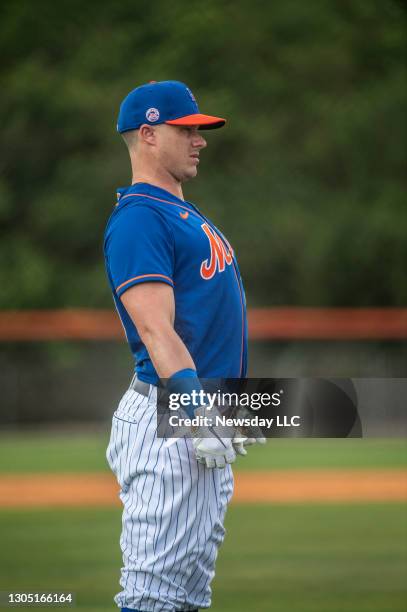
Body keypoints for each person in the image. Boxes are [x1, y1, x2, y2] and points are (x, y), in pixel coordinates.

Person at [104, 80, 252, 612]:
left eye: (199, 129)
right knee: (151, 598)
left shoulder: (178, 212)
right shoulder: (142, 216)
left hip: (197, 415)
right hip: (173, 420)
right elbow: (155, 330)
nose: (200, 139)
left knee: (188, 598)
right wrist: (195, 410)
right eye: (186, 129)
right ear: (148, 134)